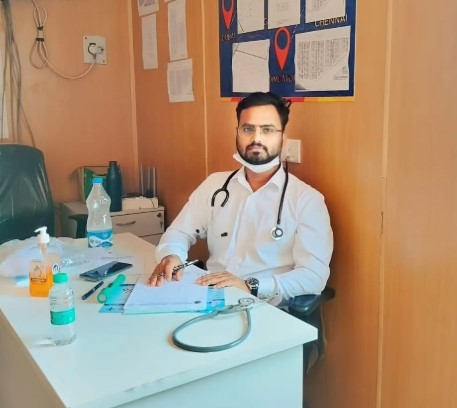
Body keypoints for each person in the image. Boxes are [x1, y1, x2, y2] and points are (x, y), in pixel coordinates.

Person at [148, 91, 333, 306]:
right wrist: (172, 255)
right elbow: (179, 232)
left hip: (263, 308)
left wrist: (251, 285)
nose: (256, 139)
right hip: (209, 298)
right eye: (248, 129)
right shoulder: (215, 185)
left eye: (267, 130)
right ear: (237, 133)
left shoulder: (307, 200)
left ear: (282, 138)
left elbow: (314, 276)